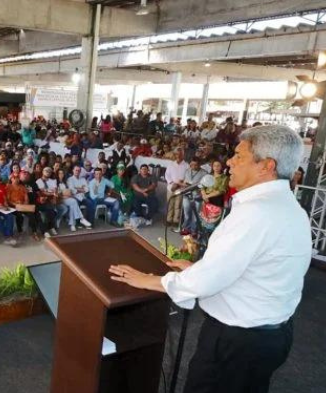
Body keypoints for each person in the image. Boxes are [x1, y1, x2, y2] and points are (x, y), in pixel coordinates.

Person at [109, 124, 310, 393]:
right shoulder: (290, 207)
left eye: (239, 156)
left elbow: (208, 280)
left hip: (237, 341)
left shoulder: (256, 212)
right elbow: (254, 268)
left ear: (266, 166)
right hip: (268, 335)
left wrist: (150, 280)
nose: (229, 162)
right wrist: (199, 268)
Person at [181, 159, 207, 235]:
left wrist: (194, 186)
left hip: (197, 196)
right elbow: (184, 181)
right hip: (187, 194)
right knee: (187, 213)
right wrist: (184, 184)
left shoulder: (204, 173)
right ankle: (186, 228)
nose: (193, 166)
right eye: (191, 165)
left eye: (195, 165)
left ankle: (193, 230)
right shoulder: (187, 171)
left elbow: (205, 185)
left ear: (199, 164)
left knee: (195, 215)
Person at [165, 148, 188, 228]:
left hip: (180, 188)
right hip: (171, 187)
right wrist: (172, 183)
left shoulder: (186, 165)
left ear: (183, 155)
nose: (178, 155)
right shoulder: (171, 164)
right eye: (177, 154)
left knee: (178, 205)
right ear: (175, 155)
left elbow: (187, 177)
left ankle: (176, 221)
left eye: (180, 154)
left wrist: (179, 184)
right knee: (170, 204)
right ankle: (168, 220)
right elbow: (167, 175)